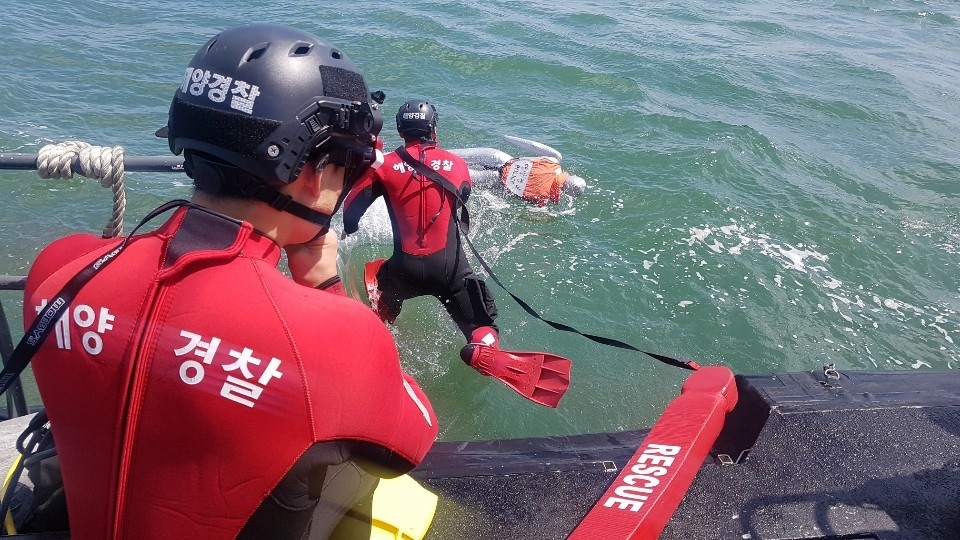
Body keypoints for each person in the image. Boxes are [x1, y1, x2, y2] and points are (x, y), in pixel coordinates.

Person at [21, 24, 437, 540]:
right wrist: (325, 287)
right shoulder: (339, 336)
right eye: (349, 163)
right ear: (313, 172)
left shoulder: (60, 265)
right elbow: (409, 442)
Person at [342, 99, 571, 408]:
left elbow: (352, 210)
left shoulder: (384, 166)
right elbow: (464, 192)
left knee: (383, 280)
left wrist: (350, 227)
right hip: (450, 271)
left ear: (400, 129)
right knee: (480, 321)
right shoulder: (456, 164)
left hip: (404, 269)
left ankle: (383, 327)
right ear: (434, 130)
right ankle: (483, 349)